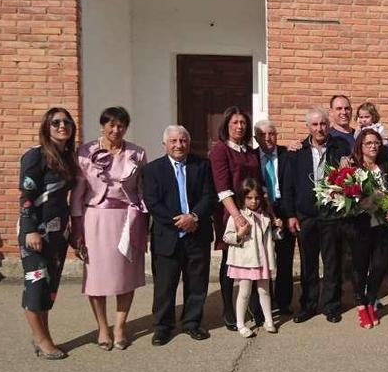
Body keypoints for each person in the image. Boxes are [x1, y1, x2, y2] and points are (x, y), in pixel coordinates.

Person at [71, 107, 147, 351]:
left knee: (126, 275)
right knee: (97, 277)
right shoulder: (85, 152)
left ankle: (120, 326)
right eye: (111, 125)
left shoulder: (137, 152)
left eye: (121, 125)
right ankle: (103, 328)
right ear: (102, 125)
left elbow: (143, 191)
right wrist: (76, 227)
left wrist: (145, 224)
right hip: (95, 218)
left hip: (127, 218)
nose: (116, 130)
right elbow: (77, 194)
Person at [142, 126, 216, 346]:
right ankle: (163, 327)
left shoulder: (202, 165)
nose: (178, 145)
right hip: (168, 236)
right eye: (173, 141)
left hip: (197, 233)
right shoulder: (152, 170)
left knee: (197, 282)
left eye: (183, 141)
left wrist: (193, 217)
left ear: (188, 143)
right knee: (165, 285)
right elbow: (153, 202)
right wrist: (180, 222)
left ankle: (192, 322)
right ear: (165, 144)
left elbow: (209, 196)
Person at [282, 108, 352, 323]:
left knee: (332, 263)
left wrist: (347, 161)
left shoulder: (340, 147)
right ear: (308, 128)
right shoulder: (297, 152)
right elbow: (288, 186)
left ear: (328, 125)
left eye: (323, 124)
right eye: (315, 125)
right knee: (308, 264)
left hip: (331, 214)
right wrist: (291, 215)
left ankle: (331, 305)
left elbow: (351, 168)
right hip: (307, 216)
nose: (319, 128)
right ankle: (308, 304)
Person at [19, 108, 78, 359]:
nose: (62, 126)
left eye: (66, 122)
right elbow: (26, 197)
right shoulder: (35, 155)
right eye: (56, 122)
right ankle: (42, 341)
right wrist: (30, 230)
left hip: (58, 233)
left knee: (49, 287)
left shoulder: (67, 157)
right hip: (36, 232)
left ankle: (43, 335)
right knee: (35, 285)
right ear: (47, 127)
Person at [210, 106, 264, 331]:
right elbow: (222, 187)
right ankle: (228, 308)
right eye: (235, 123)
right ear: (226, 125)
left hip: (253, 210)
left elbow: (259, 182)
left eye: (243, 123)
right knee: (230, 261)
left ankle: (253, 305)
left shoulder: (250, 151)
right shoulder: (220, 150)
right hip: (230, 211)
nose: (240, 126)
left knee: (253, 258)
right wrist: (237, 216)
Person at [342, 128, 388, 328]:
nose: (373, 146)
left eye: (376, 143)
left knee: (380, 266)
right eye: (368, 143)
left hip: (381, 226)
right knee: (360, 267)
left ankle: (371, 300)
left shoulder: (385, 167)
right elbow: (346, 196)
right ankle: (361, 306)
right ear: (360, 146)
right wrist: (366, 202)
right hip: (359, 226)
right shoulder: (353, 168)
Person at [223, 178, 281, 337]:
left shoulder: (265, 216)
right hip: (246, 261)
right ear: (242, 198)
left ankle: (269, 320)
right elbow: (227, 237)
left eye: (256, 198)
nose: (253, 201)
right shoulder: (238, 216)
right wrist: (239, 235)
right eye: (249, 198)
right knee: (245, 292)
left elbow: (270, 237)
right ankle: (240, 324)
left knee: (265, 291)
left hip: (262, 260)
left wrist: (278, 230)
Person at [255, 120, 296, 316]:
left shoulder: (287, 155)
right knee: (262, 259)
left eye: (271, 134)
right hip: (260, 212)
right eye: (262, 135)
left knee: (285, 259)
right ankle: (263, 304)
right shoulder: (251, 157)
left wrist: (290, 215)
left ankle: (284, 301)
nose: (268, 138)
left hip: (284, 209)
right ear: (256, 138)